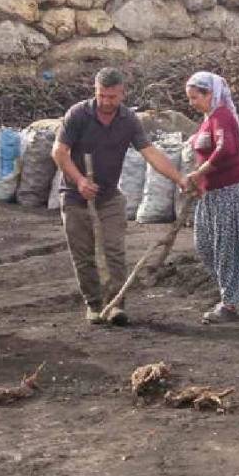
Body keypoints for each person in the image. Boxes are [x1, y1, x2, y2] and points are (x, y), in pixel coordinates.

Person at [53, 67, 188, 326]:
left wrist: (179, 179)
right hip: (74, 197)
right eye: (102, 96)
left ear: (122, 94)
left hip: (109, 197)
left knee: (114, 251)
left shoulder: (129, 121)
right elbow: (59, 152)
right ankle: (93, 304)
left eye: (112, 97)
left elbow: (150, 152)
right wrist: (80, 180)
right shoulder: (78, 114)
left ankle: (115, 305)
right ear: (96, 92)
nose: (106, 102)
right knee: (83, 255)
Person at [184, 71, 239, 324]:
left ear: (210, 94)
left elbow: (227, 150)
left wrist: (199, 173)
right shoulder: (209, 118)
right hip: (211, 193)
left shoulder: (222, 115)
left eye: (195, 97)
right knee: (204, 244)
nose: (192, 102)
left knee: (228, 246)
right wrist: (199, 181)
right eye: (189, 98)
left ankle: (230, 304)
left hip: (231, 192)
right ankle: (230, 289)